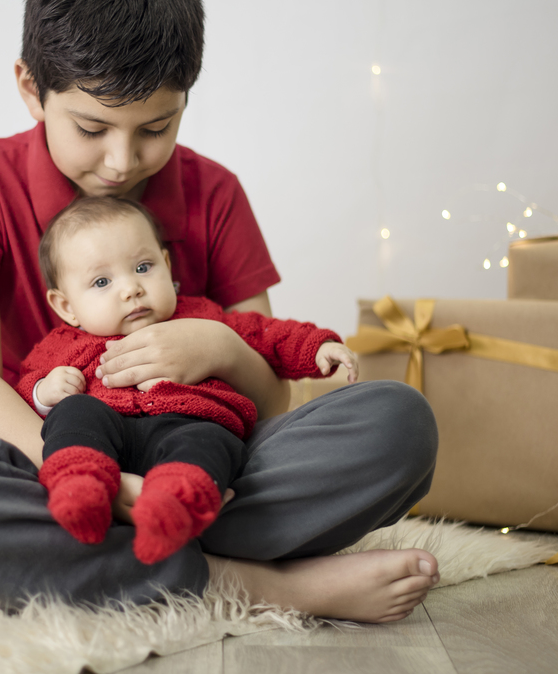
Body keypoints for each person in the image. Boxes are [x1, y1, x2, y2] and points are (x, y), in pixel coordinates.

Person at [0, 0, 440, 623]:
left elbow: (272, 402)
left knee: (398, 423)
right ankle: (251, 584)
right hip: (50, 464)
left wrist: (221, 349)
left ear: (185, 102)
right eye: (92, 127)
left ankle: (61, 558)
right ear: (30, 88)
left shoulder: (214, 192)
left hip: (204, 458)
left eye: (154, 128)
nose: (120, 160)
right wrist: (100, 484)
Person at [21, 196, 358, 565]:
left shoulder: (202, 317)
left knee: (215, 438)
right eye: (102, 281)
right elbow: (25, 388)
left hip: (187, 425)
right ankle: (78, 486)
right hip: (106, 434)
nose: (131, 288)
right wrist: (44, 391)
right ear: (66, 306)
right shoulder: (61, 346)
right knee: (75, 413)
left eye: (143, 266)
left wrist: (316, 346)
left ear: (166, 265)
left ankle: (175, 506)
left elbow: (264, 333)